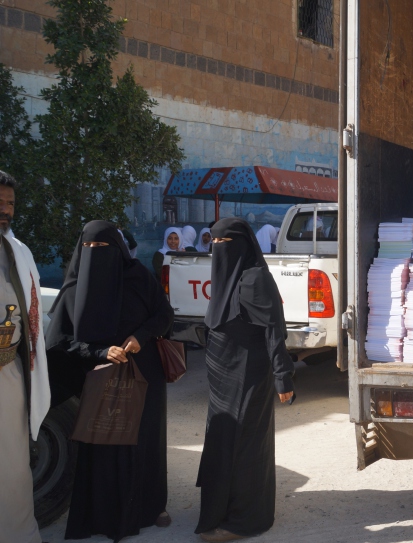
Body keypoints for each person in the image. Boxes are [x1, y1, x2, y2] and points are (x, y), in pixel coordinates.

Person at [45, 221, 174, 541]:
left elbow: (165, 314)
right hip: (99, 378)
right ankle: (102, 516)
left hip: (144, 375)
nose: (95, 255)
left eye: (103, 248)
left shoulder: (139, 278)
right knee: (103, 446)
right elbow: (59, 342)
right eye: (88, 249)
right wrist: (100, 350)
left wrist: (140, 336)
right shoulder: (74, 290)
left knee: (145, 441)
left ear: (117, 250)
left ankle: (150, 507)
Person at [195, 218, 294, 542]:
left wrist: (283, 378)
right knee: (222, 443)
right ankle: (218, 511)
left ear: (241, 244)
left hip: (249, 378)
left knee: (245, 447)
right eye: (215, 243)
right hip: (223, 380)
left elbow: (273, 332)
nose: (218, 249)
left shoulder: (255, 279)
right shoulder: (226, 278)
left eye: (226, 243)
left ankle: (244, 520)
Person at [0, 170, 49, 543]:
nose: (5, 210)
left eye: (10, 204)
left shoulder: (17, 251)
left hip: (7, 374)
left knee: (12, 466)